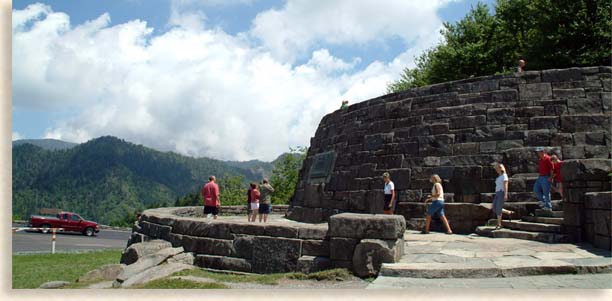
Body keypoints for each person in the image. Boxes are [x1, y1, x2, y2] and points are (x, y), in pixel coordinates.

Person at [492, 163, 515, 229]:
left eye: (497, 168)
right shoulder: (499, 177)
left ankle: (499, 224)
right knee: (494, 208)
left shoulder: (504, 176)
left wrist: (505, 194)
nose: (496, 170)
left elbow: (505, 185)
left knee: (498, 208)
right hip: (497, 193)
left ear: (500, 168)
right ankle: (508, 212)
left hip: (501, 192)